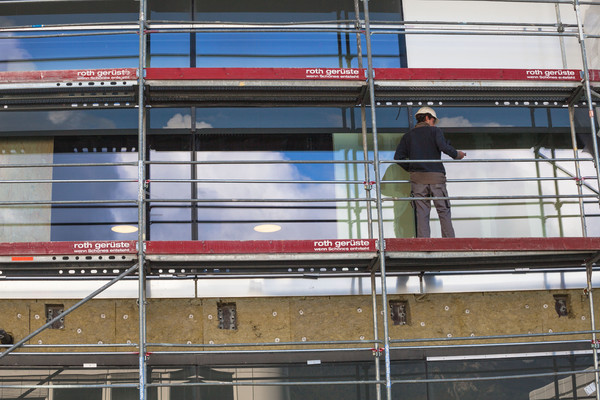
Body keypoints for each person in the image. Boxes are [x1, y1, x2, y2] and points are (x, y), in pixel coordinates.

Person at [393, 107, 466, 238]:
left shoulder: (408, 136)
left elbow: (398, 157)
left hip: (418, 179)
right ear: (427, 118)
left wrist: (411, 168)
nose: (434, 123)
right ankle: (449, 241)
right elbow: (443, 147)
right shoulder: (435, 131)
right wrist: (457, 154)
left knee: (422, 212)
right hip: (436, 177)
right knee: (443, 210)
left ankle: (424, 243)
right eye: (433, 120)